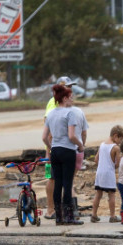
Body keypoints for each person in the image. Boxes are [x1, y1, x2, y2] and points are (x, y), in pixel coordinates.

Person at [41, 84, 88, 224]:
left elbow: (44, 137)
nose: (72, 100)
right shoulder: (70, 113)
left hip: (55, 150)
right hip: (68, 150)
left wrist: (51, 148)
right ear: (65, 98)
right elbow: (72, 136)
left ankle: (59, 217)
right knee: (67, 184)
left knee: (57, 183)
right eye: (71, 97)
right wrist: (81, 146)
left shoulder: (50, 114)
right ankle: (69, 217)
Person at [91, 125, 123, 223]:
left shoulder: (102, 144)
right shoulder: (116, 148)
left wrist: (102, 165)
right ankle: (112, 216)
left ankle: (94, 214)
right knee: (111, 195)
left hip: (99, 172)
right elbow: (117, 163)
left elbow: (96, 159)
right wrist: (111, 166)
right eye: (121, 139)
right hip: (109, 173)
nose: (120, 142)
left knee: (98, 194)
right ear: (115, 136)